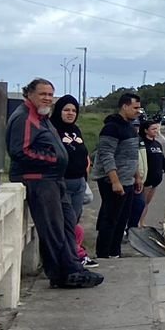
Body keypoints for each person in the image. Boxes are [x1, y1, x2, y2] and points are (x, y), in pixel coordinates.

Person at [7, 79, 100, 288]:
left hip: (55, 180)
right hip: (39, 180)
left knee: (67, 224)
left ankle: (73, 267)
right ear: (29, 94)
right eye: (42, 94)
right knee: (53, 229)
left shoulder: (42, 117)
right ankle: (61, 274)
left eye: (50, 94)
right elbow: (21, 151)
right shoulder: (25, 117)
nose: (47, 98)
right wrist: (54, 160)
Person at [92, 92, 143, 259]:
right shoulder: (112, 128)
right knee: (110, 219)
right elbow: (106, 155)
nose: (138, 111)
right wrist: (115, 181)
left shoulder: (130, 127)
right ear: (124, 106)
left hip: (128, 180)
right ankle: (103, 254)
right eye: (135, 107)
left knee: (122, 220)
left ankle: (115, 252)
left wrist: (136, 176)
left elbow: (132, 155)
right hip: (113, 181)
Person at [51, 94, 97, 268]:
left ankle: (73, 254)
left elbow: (83, 152)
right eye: (66, 110)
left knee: (74, 220)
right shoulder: (52, 129)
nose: (70, 113)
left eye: (74, 110)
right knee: (66, 222)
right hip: (63, 183)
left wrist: (85, 169)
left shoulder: (75, 130)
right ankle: (72, 257)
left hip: (79, 182)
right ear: (59, 111)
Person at [129, 119, 165, 228]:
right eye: (153, 129)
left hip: (156, 179)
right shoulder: (141, 144)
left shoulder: (157, 144)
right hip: (145, 179)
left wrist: (164, 167)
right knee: (140, 203)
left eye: (157, 129)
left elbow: (161, 158)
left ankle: (142, 222)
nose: (156, 131)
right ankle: (135, 224)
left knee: (146, 203)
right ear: (146, 130)